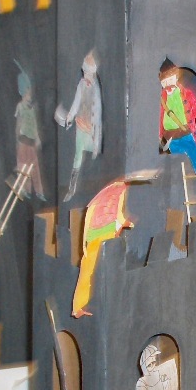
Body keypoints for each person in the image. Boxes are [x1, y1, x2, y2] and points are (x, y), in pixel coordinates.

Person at [158, 58, 196, 206]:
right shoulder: (163, 97)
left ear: (176, 77)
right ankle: (169, 200)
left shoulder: (187, 94)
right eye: (164, 82)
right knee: (167, 163)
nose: (167, 85)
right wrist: (160, 136)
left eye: (170, 80)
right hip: (169, 136)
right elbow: (162, 117)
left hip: (186, 134)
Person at [71, 180, 133, 318]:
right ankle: (78, 307)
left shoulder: (120, 192)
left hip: (108, 233)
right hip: (97, 234)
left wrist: (124, 223)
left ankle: (87, 304)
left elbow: (118, 214)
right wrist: (84, 243)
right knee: (89, 268)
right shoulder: (103, 197)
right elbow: (89, 218)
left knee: (100, 267)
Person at [61, 51, 103, 202]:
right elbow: (76, 103)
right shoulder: (81, 85)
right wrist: (69, 117)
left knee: (94, 152)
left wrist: (96, 137)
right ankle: (71, 189)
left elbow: (97, 116)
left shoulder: (96, 90)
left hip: (91, 129)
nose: (86, 75)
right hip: (80, 125)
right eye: (84, 72)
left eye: (88, 73)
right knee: (77, 157)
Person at [14, 62, 45, 200]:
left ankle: (39, 191)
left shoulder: (31, 109)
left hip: (31, 141)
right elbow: (19, 123)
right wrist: (17, 138)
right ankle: (25, 188)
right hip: (23, 141)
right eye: (27, 92)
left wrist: (37, 138)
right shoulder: (20, 107)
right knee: (23, 166)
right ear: (23, 92)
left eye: (30, 91)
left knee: (34, 167)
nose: (29, 94)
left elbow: (34, 125)